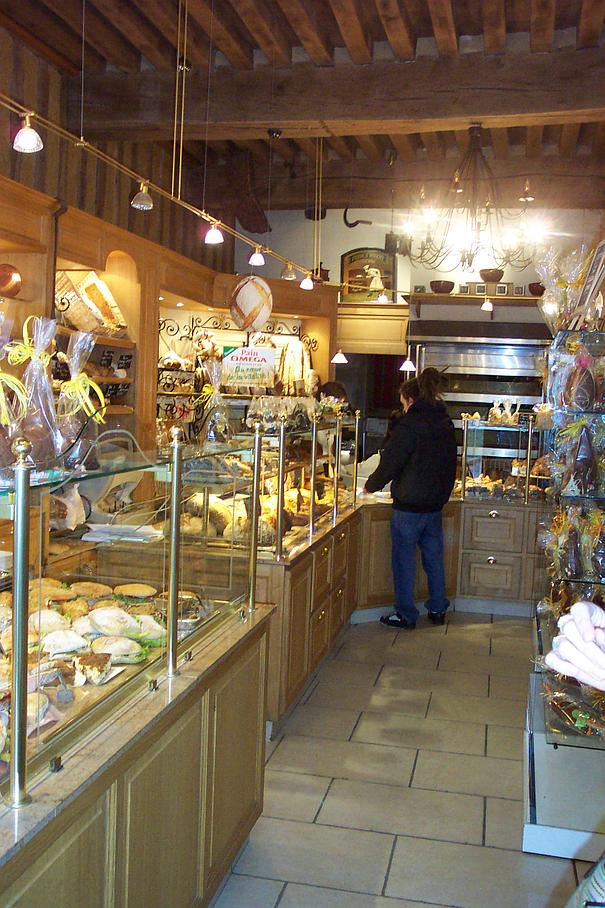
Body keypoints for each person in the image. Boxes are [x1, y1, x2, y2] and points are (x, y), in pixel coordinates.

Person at [364, 367, 456, 629]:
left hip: (409, 506)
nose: (402, 406)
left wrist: (371, 486)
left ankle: (406, 614)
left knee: (404, 562)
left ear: (410, 399)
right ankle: (438, 609)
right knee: (434, 559)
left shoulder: (411, 425)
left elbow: (391, 462)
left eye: (403, 401)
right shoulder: (444, 422)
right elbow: (451, 463)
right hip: (434, 505)